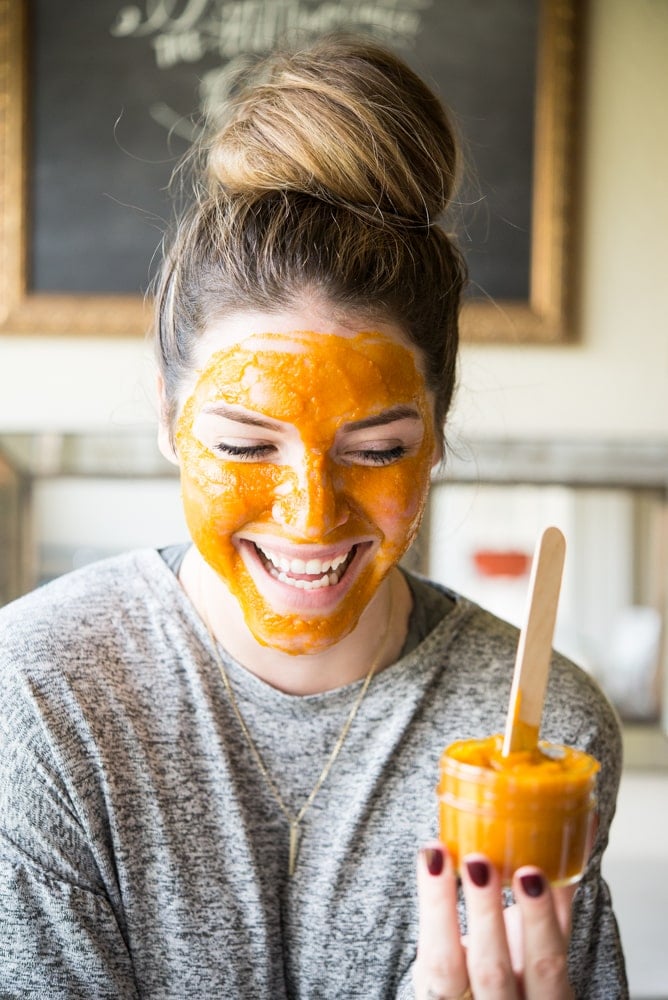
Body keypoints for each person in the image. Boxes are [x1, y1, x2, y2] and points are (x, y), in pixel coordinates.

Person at [0, 34, 627, 999]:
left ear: (438, 431)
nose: (310, 517)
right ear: (169, 421)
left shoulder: (543, 733)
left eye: (377, 451)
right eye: (249, 446)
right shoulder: (37, 699)